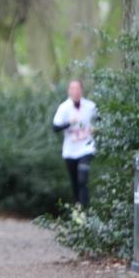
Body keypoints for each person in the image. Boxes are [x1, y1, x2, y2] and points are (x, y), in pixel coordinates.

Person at [52, 80, 98, 208]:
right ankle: (78, 208)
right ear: (68, 91)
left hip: (86, 147)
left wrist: (96, 128)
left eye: (77, 88)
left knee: (82, 179)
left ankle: (85, 211)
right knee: (75, 182)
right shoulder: (64, 107)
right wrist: (69, 123)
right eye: (72, 89)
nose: (75, 91)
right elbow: (55, 127)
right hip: (70, 150)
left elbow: (102, 120)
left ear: (81, 90)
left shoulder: (90, 106)